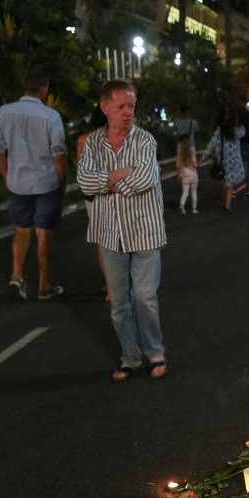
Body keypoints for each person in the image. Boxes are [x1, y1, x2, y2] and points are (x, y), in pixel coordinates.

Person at [77, 79, 168, 382]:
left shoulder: (144, 141)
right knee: (119, 303)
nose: (128, 112)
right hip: (109, 234)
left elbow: (146, 179)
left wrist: (107, 183)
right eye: (121, 107)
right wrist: (116, 175)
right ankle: (129, 357)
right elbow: (84, 182)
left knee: (144, 296)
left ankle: (155, 353)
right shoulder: (92, 143)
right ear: (105, 108)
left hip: (144, 232)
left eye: (131, 106)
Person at [0, 69, 68, 302]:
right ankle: (44, 286)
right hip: (45, 184)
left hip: (18, 185)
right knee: (44, 234)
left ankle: (17, 276)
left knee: (21, 230)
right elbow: (59, 155)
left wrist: (7, 176)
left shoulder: (4, 112)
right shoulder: (51, 116)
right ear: (43, 89)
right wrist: (62, 183)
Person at [77, 108, 109, 301]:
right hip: (112, 193)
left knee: (102, 243)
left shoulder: (83, 139)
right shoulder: (116, 139)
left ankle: (110, 284)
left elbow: (82, 173)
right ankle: (116, 286)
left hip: (92, 197)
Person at [203, 112, 246, 214]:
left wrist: (203, 158)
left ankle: (225, 199)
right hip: (234, 161)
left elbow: (211, 144)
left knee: (226, 181)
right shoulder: (236, 131)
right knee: (230, 184)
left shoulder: (219, 131)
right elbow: (243, 132)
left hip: (223, 161)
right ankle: (227, 205)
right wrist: (240, 125)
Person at [236, 96, 249, 197]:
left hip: (238, 141)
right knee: (246, 166)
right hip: (246, 140)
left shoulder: (236, 113)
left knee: (235, 165)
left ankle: (235, 188)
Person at [176, 139, 199, 215]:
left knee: (185, 193)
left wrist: (179, 176)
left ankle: (182, 206)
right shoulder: (192, 155)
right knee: (194, 193)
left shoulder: (180, 156)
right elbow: (195, 165)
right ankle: (194, 209)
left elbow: (178, 167)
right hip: (193, 176)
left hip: (185, 177)